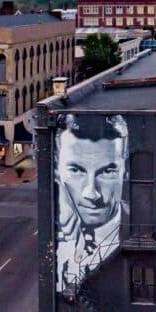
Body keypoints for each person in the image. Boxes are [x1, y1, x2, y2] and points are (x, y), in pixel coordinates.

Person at [54, 114, 127, 295]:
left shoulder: (134, 228)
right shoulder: (61, 230)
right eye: (76, 170)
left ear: (126, 171)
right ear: (57, 171)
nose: (91, 193)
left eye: (107, 171)